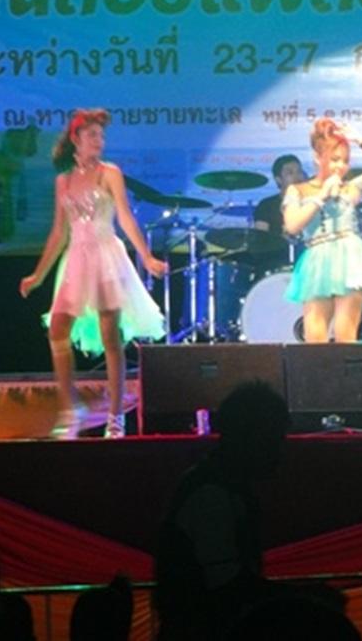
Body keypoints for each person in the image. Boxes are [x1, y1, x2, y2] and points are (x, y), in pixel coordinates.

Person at [20, 108, 167, 438]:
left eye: (101, 135)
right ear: (76, 139)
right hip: (76, 259)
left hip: (104, 256)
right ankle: (70, 409)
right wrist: (38, 275)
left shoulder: (109, 172)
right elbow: (59, 232)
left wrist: (146, 257)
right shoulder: (64, 180)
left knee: (110, 334)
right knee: (57, 329)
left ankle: (116, 416)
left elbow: (125, 217)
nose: (99, 141)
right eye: (92, 135)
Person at [154, 380, 290, 641]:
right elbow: (228, 588)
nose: (280, 452)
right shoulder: (213, 494)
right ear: (252, 439)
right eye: (275, 439)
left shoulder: (217, 486)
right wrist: (301, 599)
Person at [282, 119, 362, 342]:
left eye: (345, 161)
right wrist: (320, 196)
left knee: (345, 336)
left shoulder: (351, 187)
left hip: (351, 260)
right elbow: (293, 226)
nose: (341, 166)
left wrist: (359, 139)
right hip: (317, 262)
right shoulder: (298, 190)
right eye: (335, 159)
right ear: (317, 158)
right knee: (315, 338)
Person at [252, 154, 304, 236]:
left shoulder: (312, 202)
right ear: (278, 179)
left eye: (299, 171)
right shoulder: (266, 206)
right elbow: (261, 238)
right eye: (290, 173)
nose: (297, 176)